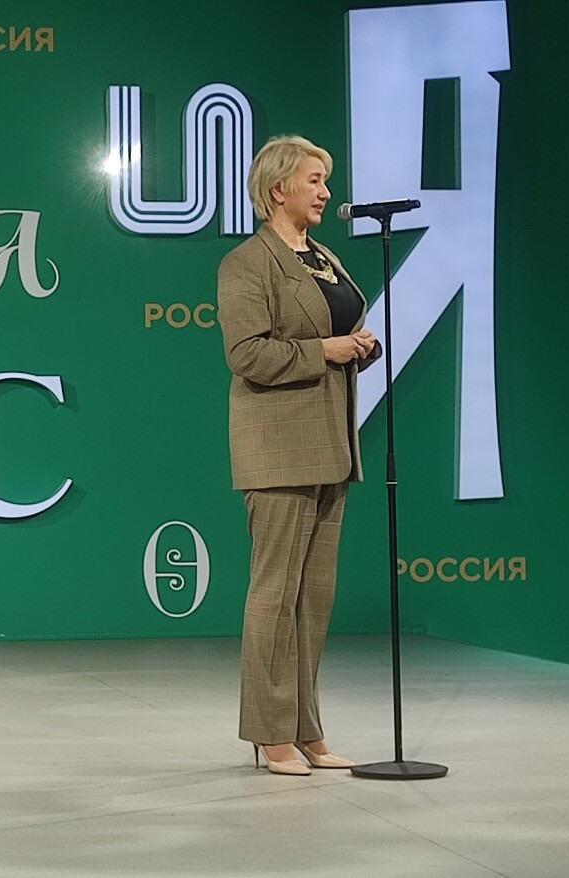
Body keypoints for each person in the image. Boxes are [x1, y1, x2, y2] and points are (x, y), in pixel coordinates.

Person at [216, 135, 381, 776]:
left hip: (331, 444)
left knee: (313, 598)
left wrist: (358, 345)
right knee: (275, 594)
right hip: (280, 447)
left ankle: (306, 728)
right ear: (278, 188)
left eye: (325, 180)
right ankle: (269, 732)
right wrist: (325, 352)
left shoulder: (324, 258)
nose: (325, 192)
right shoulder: (247, 263)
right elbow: (246, 354)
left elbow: (336, 327)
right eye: (314, 181)